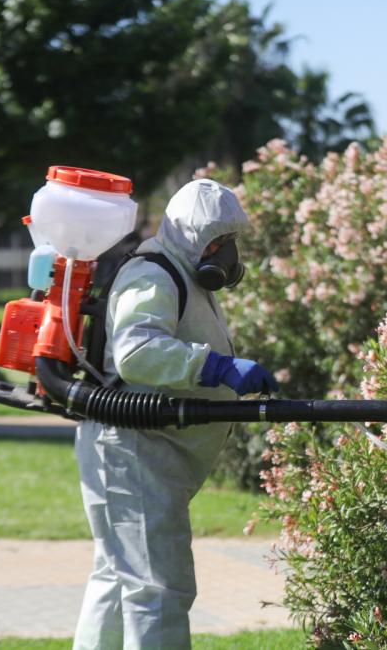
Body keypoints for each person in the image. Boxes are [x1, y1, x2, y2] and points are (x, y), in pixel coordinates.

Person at [72, 179, 278, 649]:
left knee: (120, 581)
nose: (225, 252)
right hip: (135, 452)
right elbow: (137, 352)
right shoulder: (153, 275)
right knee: (159, 590)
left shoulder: (179, 273)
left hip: (144, 453)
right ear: (190, 234)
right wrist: (216, 367)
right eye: (216, 240)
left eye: (229, 241)